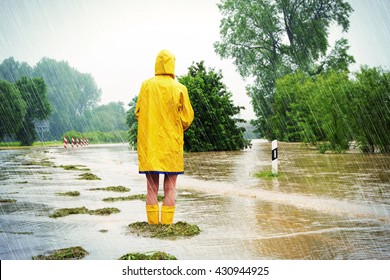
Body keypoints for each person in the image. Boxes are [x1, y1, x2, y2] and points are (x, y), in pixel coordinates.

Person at [135, 50, 194, 225]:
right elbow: (187, 117)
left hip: (150, 145)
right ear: (172, 65)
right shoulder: (179, 88)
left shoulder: (146, 86)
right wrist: (175, 125)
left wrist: (151, 122)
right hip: (171, 145)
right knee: (170, 188)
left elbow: (138, 112)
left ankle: (153, 227)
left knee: (151, 188)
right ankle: (167, 226)